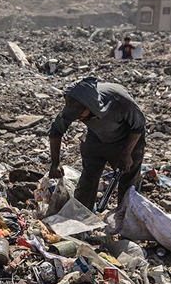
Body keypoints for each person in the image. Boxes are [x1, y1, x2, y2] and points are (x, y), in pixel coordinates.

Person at [48, 77, 147, 210]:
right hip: (96, 137)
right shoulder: (75, 105)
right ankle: (81, 215)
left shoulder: (120, 100)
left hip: (127, 139)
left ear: (91, 106)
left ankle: (127, 216)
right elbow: (56, 131)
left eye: (80, 115)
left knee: (128, 179)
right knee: (88, 176)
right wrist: (55, 163)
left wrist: (127, 153)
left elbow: (139, 126)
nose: (78, 118)